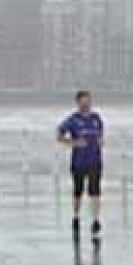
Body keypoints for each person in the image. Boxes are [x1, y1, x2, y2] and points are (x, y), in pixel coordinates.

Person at [56, 90, 105, 238]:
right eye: (83, 102)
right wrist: (74, 143)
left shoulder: (96, 118)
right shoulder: (73, 120)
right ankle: (76, 216)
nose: (86, 105)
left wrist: (101, 140)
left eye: (88, 102)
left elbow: (101, 132)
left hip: (95, 160)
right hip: (79, 161)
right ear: (78, 103)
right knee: (78, 190)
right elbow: (59, 135)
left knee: (95, 190)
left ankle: (96, 220)